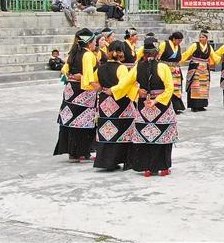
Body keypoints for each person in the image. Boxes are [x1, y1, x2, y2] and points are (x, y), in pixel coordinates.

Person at [113, 37, 177, 177]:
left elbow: (123, 84)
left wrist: (135, 91)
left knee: (146, 136)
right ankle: (163, 167)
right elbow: (169, 88)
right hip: (161, 106)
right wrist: (156, 100)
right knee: (163, 135)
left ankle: (147, 167)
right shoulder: (163, 67)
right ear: (157, 52)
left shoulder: (137, 67)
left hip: (144, 105)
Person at [53, 28, 98, 162]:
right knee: (83, 122)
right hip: (83, 91)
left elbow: (64, 70)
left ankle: (72, 152)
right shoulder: (88, 55)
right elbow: (88, 77)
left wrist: (72, 76)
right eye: (94, 41)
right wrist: (97, 86)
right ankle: (82, 152)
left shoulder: (73, 52)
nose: (95, 43)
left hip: (70, 90)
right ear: (89, 42)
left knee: (71, 120)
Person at [94, 41, 137, 172]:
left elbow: (94, 82)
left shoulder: (100, 67)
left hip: (104, 101)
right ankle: (125, 160)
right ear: (122, 53)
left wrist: (102, 89)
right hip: (119, 101)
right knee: (124, 128)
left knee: (106, 129)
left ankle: (106, 161)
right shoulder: (121, 68)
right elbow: (124, 85)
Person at [181, 30, 219, 112]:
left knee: (203, 86)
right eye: (200, 37)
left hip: (205, 69)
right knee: (195, 86)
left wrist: (221, 59)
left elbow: (214, 56)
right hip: (195, 68)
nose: (201, 39)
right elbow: (187, 54)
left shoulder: (209, 47)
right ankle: (194, 106)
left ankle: (201, 105)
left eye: (203, 37)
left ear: (207, 38)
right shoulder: (195, 45)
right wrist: (179, 59)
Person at [158, 31, 186, 113]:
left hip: (176, 70)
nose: (179, 42)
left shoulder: (178, 46)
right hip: (166, 69)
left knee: (176, 88)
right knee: (168, 87)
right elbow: (158, 56)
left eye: (181, 41)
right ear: (174, 39)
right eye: (178, 40)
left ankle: (176, 107)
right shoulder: (164, 44)